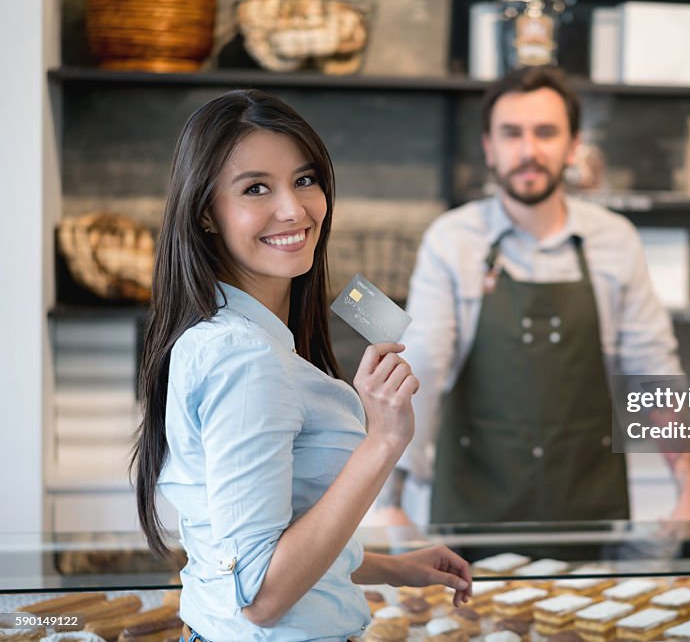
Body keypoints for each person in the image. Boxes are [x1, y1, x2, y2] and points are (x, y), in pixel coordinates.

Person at [131, 90, 471, 642]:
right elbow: (263, 596)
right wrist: (383, 440)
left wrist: (393, 569)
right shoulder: (245, 359)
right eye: (256, 188)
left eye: (305, 179)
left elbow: (269, 544)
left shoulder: (234, 340)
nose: (293, 208)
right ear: (205, 214)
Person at [377, 66, 690, 526]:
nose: (528, 151)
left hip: (589, 506)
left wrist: (689, 491)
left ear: (573, 147)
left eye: (546, 133)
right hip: (473, 509)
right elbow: (423, 368)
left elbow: (654, 371)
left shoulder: (615, 240)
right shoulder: (452, 241)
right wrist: (390, 500)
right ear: (490, 148)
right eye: (511, 134)